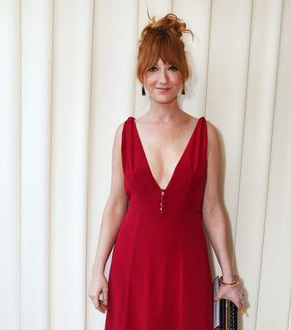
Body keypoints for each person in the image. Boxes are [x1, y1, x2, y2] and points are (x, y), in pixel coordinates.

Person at [88, 12, 247, 329]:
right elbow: (117, 203)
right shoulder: (125, 133)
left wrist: (230, 279)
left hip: (186, 268)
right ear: (141, 76)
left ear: (184, 74)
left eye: (172, 67)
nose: (163, 78)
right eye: (153, 68)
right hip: (132, 267)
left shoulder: (207, 135)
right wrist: (97, 270)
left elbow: (213, 207)